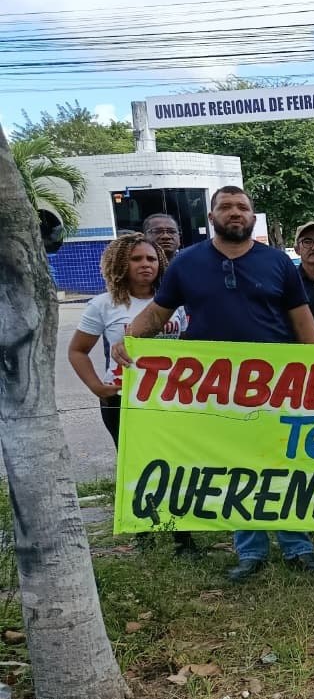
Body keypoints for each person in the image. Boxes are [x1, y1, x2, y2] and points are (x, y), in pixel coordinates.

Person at [113, 185, 314, 581]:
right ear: (212, 217)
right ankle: (251, 553)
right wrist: (127, 340)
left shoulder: (278, 263)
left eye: (242, 207)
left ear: (252, 216)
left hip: (276, 385)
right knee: (237, 468)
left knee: (283, 462)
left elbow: (302, 323)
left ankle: (299, 547)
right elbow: (158, 314)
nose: (234, 212)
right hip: (215, 389)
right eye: (225, 206)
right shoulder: (186, 264)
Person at [67, 233, 195, 555]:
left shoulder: (172, 302)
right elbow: (78, 351)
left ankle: (184, 538)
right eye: (137, 259)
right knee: (136, 466)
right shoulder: (103, 304)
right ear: (120, 263)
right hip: (124, 399)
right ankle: (145, 536)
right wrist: (97, 387)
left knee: (177, 463)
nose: (145, 265)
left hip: (171, 399)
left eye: (151, 259)